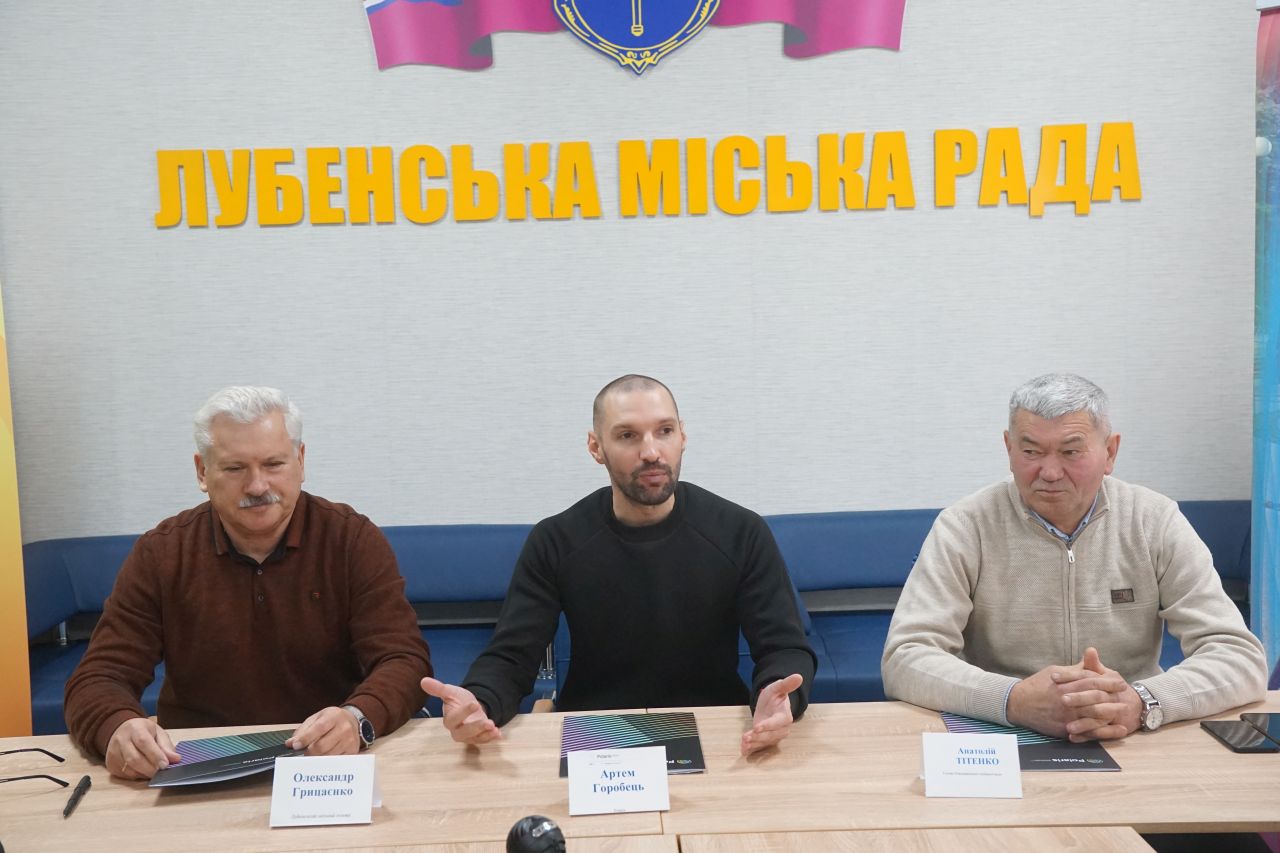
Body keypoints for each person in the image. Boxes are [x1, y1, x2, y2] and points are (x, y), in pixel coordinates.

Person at [422, 375, 816, 756]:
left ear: (683, 436)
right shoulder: (556, 540)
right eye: (628, 435)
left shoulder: (740, 532)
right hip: (595, 732)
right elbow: (511, 656)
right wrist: (480, 702)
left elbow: (784, 647)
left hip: (712, 728)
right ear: (596, 447)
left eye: (664, 431)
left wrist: (780, 696)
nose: (651, 452)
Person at [64, 386, 432, 779]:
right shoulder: (163, 552)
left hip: (326, 763)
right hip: (199, 763)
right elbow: (99, 677)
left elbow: (404, 661)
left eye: (274, 464)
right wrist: (117, 727)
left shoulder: (350, 540)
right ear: (202, 472)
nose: (257, 486)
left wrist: (357, 717)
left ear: (300, 461)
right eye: (235, 468)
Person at [882, 373, 1267, 741]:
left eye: (1071, 452)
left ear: (1110, 452)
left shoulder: (1153, 521)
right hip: (999, 734)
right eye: (1031, 451)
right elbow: (906, 656)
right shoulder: (966, 525)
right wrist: (1013, 700)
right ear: (1009, 448)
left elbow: (1239, 657)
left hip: (1130, 733)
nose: (1049, 472)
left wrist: (1142, 702)